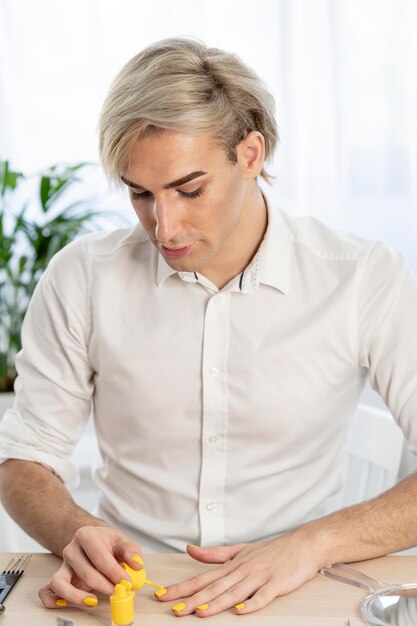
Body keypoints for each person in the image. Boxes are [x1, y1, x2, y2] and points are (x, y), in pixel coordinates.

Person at [0, 37, 417, 617]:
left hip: (301, 587)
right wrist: (75, 531)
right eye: (139, 194)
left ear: (249, 155)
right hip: (135, 590)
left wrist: (311, 543)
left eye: (189, 190)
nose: (163, 226)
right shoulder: (82, 278)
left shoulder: (363, 278)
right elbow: (25, 460)